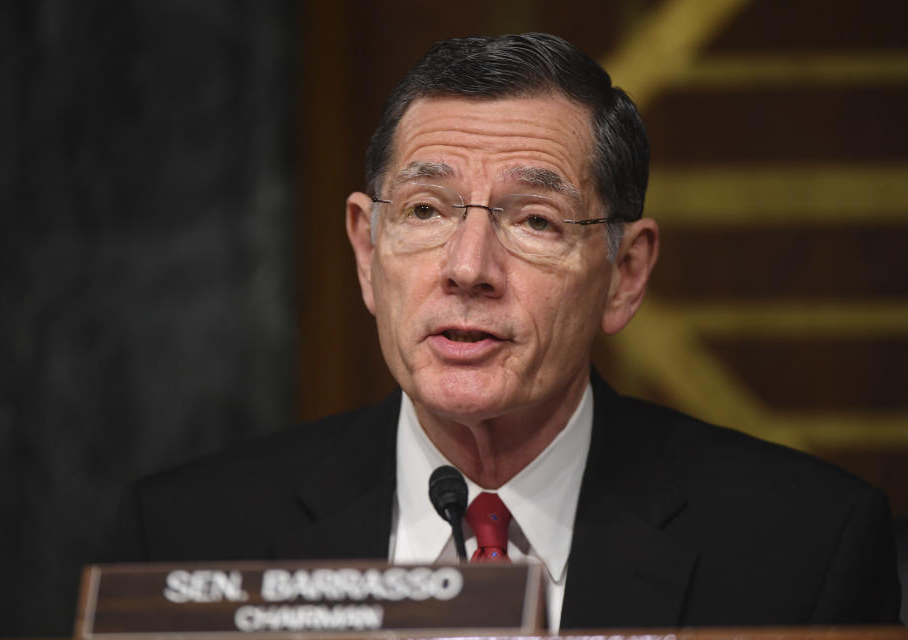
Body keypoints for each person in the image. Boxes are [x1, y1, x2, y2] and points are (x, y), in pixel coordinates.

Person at [111, 33, 902, 629]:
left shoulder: (803, 553)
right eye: (426, 210)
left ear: (624, 274)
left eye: (534, 219)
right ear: (366, 249)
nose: (468, 267)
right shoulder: (186, 537)